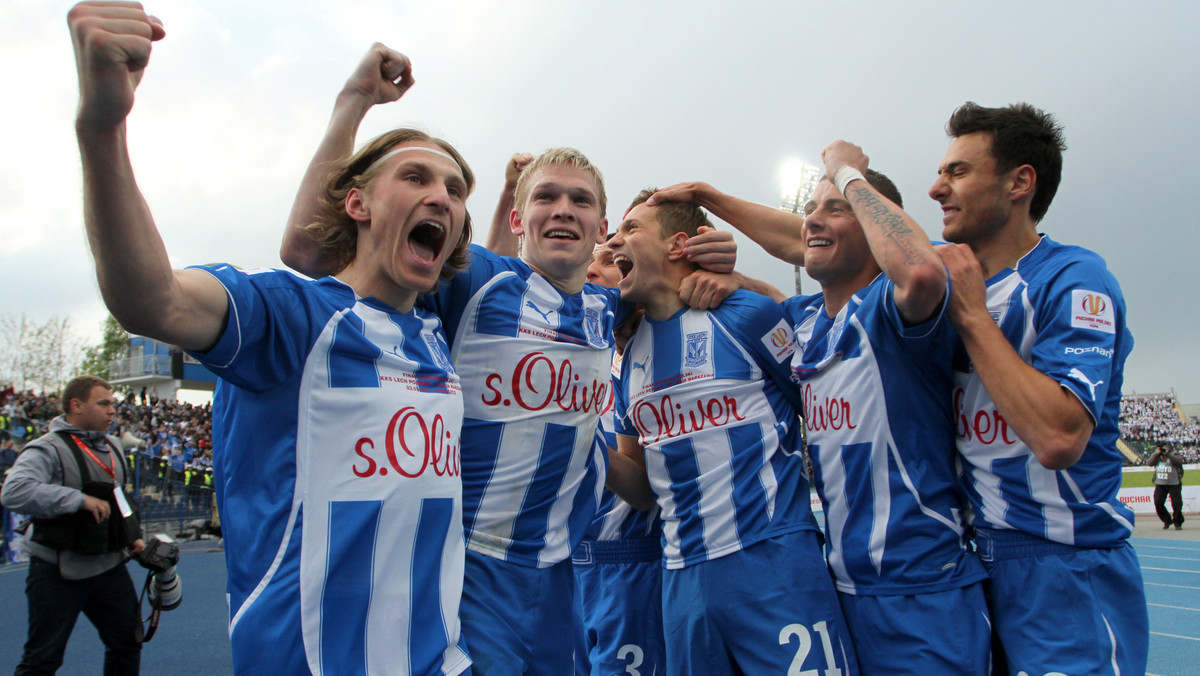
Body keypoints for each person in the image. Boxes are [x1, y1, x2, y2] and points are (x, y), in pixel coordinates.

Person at [282, 72, 737, 671]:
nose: (563, 210)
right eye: (545, 197)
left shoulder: (609, 307)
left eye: (581, 200)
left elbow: (676, 283)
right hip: (465, 569)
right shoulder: (478, 281)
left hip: (558, 579)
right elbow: (307, 252)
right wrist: (352, 105)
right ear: (518, 221)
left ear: (602, 230)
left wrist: (724, 266)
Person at [67, 5, 473, 674]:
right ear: (357, 204)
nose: (443, 198)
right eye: (416, 178)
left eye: (455, 190)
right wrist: (103, 127)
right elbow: (151, 297)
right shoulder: (296, 319)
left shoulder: (433, 333)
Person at [650, 141, 991, 674]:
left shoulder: (892, 309)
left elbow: (921, 270)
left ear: (877, 229)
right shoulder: (803, 321)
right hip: (844, 588)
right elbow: (798, 244)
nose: (812, 221)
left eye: (838, 209)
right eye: (809, 209)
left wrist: (845, 171)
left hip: (924, 586)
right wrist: (712, 217)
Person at [931, 101, 1148, 674]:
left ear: (1019, 183)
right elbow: (830, 254)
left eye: (957, 171)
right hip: (973, 569)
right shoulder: (944, 284)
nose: (936, 189)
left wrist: (975, 318)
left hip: (1066, 571)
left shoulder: (1074, 277)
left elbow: (1058, 437)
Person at [604, 189, 856, 675]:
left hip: (774, 560)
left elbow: (821, 403)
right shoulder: (630, 354)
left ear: (679, 245)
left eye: (631, 228)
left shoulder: (748, 314)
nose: (616, 238)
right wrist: (584, 446)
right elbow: (640, 491)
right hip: (682, 579)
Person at [2, 375, 146, 675]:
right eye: (103, 403)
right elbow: (13, 492)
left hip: (109, 566)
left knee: (128, 643)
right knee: (43, 659)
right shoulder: (47, 448)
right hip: (57, 569)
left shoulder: (115, 446)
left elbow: (118, 497)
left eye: (113, 404)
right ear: (76, 405)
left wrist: (132, 536)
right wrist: (77, 499)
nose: (112, 411)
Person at [571, 239, 666, 676]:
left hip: (628, 565)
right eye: (590, 260)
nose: (593, 269)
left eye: (608, 261)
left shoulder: (647, 366)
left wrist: (581, 441)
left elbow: (644, 492)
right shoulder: (572, 360)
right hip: (563, 568)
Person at [1149, 444, 1186, 529]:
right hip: (1160, 483)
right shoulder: (1157, 456)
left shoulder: (1174, 454)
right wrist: (1156, 454)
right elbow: (1150, 463)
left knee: (1177, 503)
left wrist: (1168, 454)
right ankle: (1167, 520)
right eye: (1160, 447)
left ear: (1168, 447)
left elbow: (1179, 461)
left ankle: (1178, 521)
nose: (1162, 449)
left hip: (1174, 483)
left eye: (1164, 447)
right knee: (1158, 502)